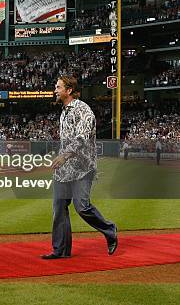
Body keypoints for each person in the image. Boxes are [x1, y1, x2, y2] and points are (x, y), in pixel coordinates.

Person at [43, 76, 117, 259]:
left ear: (68, 90)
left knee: (82, 207)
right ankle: (60, 250)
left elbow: (82, 138)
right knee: (59, 208)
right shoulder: (64, 112)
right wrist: (60, 158)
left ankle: (110, 230)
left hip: (83, 167)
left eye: (58, 86)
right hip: (64, 170)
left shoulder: (84, 110)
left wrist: (64, 155)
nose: (55, 89)